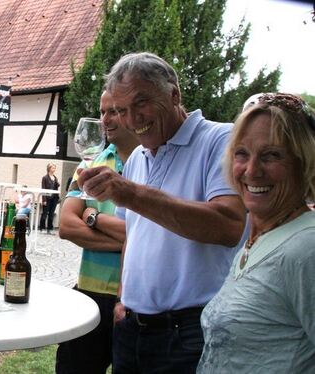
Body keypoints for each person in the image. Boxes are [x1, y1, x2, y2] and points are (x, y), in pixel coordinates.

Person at [76, 52, 247, 373]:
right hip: (131, 326)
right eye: (122, 110)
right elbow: (133, 237)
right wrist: (123, 300)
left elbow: (229, 225)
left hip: (189, 331)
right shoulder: (139, 156)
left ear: (174, 95)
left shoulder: (219, 140)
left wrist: (131, 194)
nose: (132, 119)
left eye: (141, 103)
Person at [198, 93, 315, 372]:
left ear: (304, 162)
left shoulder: (306, 249)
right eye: (242, 154)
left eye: (271, 155)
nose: (252, 171)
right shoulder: (259, 237)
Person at [56, 90, 139, 374]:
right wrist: (133, 238)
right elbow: (66, 226)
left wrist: (93, 216)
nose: (106, 119)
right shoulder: (90, 163)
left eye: (115, 110)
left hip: (134, 301)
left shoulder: (156, 164)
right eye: (103, 112)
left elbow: (156, 232)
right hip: (89, 294)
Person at [38, 163, 60, 234]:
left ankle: (49, 228)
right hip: (47, 198)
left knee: (51, 213)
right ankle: (42, 228)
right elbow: (43, 189)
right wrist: (44, 200)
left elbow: (56, 188)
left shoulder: (55, 177)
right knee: (44, 213)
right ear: (49, 168)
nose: (54, 169)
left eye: (54, 168)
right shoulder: (45, 178)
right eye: (53, 168)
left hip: (54, 198)